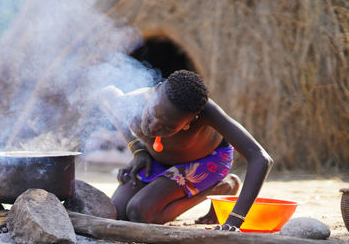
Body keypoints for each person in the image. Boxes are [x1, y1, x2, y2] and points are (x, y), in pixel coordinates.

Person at [100, 69, 273, 230]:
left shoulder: (206, 112)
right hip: (157, 159)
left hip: (206, 162)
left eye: (168, 126)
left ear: (189, 122)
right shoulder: (132, 101)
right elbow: (106, 95)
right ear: (156, 91)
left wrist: (234, 220)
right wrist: (137, 149)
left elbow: (260, 158)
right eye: (152, 114)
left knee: (139, 212)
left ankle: (221, 187)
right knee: (118, 213)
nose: (153, 127)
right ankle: (166, 185)